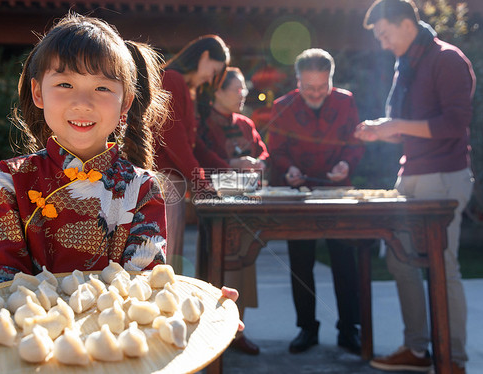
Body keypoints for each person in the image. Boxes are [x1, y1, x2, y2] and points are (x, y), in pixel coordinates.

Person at [0, 13, 170, 290]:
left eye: (102, 87)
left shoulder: (142, 187)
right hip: (31, 328)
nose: (82, 103)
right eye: (65, 84)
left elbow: (145, 286)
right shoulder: (12, 180)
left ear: (126, 104)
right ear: (38, 92)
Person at [355, 1, 475, 373]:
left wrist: (396, 126)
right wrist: (379, 130)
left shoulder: (448, 59)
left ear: (407, 24)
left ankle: (453, 357)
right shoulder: (405, 63)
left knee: (444, 265)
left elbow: (453, 125)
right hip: (411, 175)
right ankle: (418, 349)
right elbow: (402, 124)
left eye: (385, 35)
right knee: (399, 259)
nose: (383, 44)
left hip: (444, 177)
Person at [267, 48, 365, 355]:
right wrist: (288, 169)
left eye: (322, 87)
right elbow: (276, 149)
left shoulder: (346, 101)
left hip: (338, 191)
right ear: (297, 81)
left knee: (345, 262)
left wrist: (346, 165)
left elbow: (355, 142)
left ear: (331, 81)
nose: (316, 93)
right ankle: (307, 328)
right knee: (300, 263)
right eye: (308, 88)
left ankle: (350, 329)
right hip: (299, 193)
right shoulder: (283, 105)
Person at [195, 67, 269, 355]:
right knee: (215, 264)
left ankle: (237, 332)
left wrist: (257, 162)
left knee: (244, 264)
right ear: (218, 91)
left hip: (246, 202)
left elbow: (263, 152)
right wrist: (232, 166)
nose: (242, 96)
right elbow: (201, 158)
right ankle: (211, 332)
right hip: (216, 203)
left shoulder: (245, 123)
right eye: (237, 90)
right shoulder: (202, 124)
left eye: (244, 91)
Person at [154, 35, 231, 274]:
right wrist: (201, 180)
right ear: (204, 56)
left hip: (173, 182)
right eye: (213, 70)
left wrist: (226, 169)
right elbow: (174, 138)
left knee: (170, 258)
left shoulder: (184, 86)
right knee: (163, 261)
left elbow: (192, 145)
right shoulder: (172, 79)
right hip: (163, 181)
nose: (211, 78)